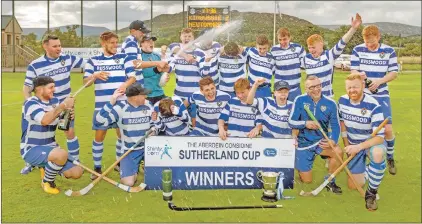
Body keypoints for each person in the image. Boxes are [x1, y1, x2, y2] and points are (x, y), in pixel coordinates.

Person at [21, 34, 86, 174]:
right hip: (44, 107)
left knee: (69, 132)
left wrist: (91, 75)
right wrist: (28, 103)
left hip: (66, 106)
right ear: (45, 46)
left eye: (60, 45)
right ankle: (31, 161)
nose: (59, 49)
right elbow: (27, 87)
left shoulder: (67, 58)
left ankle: (75, 160)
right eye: (55, 46)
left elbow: (88, 64)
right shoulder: (35, 65)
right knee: (36, 133)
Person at [83, 31, 137, 178]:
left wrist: (125, 85)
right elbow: (85, 83)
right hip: (102, 106)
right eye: (112, 43)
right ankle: (97, 168)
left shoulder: (124, 58)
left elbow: (133, 77)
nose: (115, 45)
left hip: (122, 105)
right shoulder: (93, 61)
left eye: (116, 42)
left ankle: (118, 164)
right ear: (103, 43)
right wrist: (94, 76)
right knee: (100, 135)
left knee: (121, 135)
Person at [21, 76, 83, 194]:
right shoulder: (30, 103)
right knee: (61, 154)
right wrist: (63, 105)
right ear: (40, 89)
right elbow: (45, 120)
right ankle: (47, 182)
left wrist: (68, 116)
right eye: (51, 87)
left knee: (77, 172)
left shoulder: (55, 102)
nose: (54, 90)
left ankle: (46, 166)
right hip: (32, 148)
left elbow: (65, 129)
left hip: (51, 147)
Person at [351, 25, 398, 175]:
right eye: (366, 42)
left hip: (381, 94)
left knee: (388, 129)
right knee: (363, 128)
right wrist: (360, 77)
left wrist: (379, 82)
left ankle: (390, 157)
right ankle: (361, 156)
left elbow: (393, 73)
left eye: (371, 42)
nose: (369, 45)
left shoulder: (389, 50)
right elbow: (353, 70)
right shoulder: (358, 50)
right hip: (363, 95)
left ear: (378, 37)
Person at [338, 73, 387, 211]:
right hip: (354, 146)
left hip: (370, 143)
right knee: (354, 185)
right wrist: (347, 144)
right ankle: (370, 171)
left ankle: (371, 193)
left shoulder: (373, 105)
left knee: (377, 153)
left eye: (355, 87)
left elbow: (380, 137)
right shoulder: (342, 101)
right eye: (349, 87)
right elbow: (342, 123)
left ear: (363, 86)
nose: (352, 90)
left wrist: (359, 147)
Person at [288, 75, 343, 194]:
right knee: (306, 181)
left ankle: (330, 181)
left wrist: (333, 140)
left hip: (320, 142)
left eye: (318, 86)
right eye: (312, 87)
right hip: (303, 143)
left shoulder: (331, 103)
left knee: (338, 152)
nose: (316, 89)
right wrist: (305, 123)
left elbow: (335, 126)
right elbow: (291, 121)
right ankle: (300, 167)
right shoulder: (300, 100)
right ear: (306, 89)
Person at [95, 83, 157, 187]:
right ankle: (134, 169)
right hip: (129, 151)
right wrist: (111, 101)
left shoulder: (148, 105)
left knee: (158, 177)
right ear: (135, 97)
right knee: (128, 183)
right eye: (143, 95)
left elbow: (154, 124)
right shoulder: (120, 108)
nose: (146, 97)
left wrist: (155, 124)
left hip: (149, 148)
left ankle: (143, 165)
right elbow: (99, 121)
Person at [301, 13, 362, 98]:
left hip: (327, 98)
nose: (311, 50)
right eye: (309, 48)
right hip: (310, 99)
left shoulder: (329, 55)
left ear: (321, 44)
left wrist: (353, 29)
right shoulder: (305, 58)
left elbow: (342, 43)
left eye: (313, 47)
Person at [133, 34, 170, 105]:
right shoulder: (138, 56)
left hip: (159, 93)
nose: (151, 43)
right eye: (148, 41)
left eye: (152, 41)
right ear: (141, 43)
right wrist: (156, 70)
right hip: (145, 95)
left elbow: (161, 73)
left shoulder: (157, 56)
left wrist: (165, 77)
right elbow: (141, 73)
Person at [271, 28, 306, 101]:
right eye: (280, 40)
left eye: (284, 39)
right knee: (279, 111)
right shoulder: (273, 50)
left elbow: (305, 65)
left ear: (289, 38)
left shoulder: (298, 48)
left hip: (295, 89)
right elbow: (272, 69)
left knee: (296, 111)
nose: (282, 42)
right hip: (280, 90)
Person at [121, 20, 151, 85]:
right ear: (133, 31)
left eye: (144, 32)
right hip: (134, 85)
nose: (143, 34)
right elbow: (134, 65)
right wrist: (156, 63)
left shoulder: (132, 41)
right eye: (142, 32)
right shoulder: (131, 43)